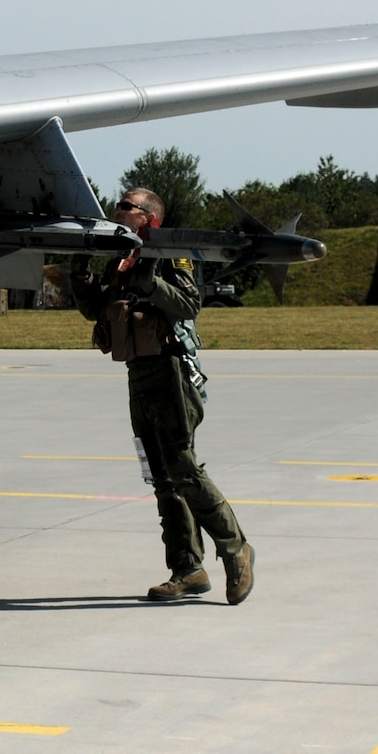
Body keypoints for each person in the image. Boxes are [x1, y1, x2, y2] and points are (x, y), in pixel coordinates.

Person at [72, 187, 255, 605]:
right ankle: (187, 569)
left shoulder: (168, 253)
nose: (117, 212)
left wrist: (150, 282)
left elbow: (190, 304)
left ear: (149, 217)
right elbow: (95, 309)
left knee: (183, 469)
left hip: (171, 372)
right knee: (159, 478)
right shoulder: (119, 258)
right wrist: (79, 271)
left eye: (126, 207)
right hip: (139, 373)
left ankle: (236, 549)